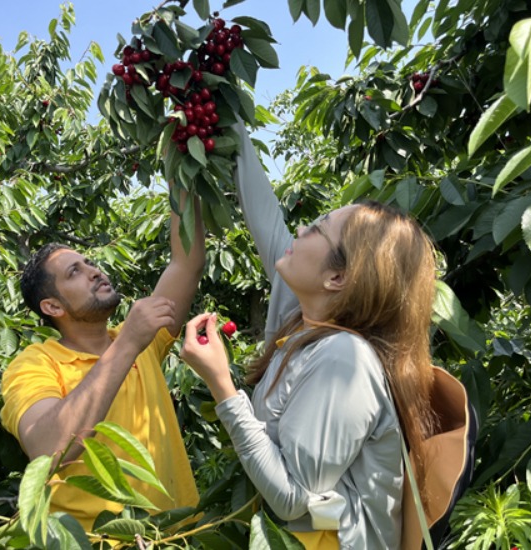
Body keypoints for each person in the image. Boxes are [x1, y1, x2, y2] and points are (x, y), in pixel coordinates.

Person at [179, 122, 465, 549]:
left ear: (337, 277)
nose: (299, 232)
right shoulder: (301, 322)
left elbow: (292, 496)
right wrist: (225, 117)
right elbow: (267, 220)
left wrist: (221, 384)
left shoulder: (344, 358)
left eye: (316, 229)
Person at [0, 187, 204, 531]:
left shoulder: (141, 338)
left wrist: (181, 171)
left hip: (175, 537)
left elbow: (188, 261)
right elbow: (48, 449)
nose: (94, 271)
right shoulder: (35, 364)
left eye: (89, 263)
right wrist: (127, 344)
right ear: (53, 307)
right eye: (73, 273)